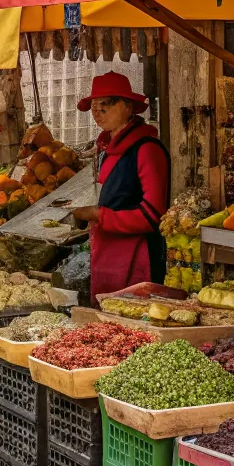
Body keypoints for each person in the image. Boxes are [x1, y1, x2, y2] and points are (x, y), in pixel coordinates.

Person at [72, 72, 171, 302]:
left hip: (138, 257)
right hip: (107, 255)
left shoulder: (147, 149)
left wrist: (99, 215)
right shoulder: (107, 148)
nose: (97, 112)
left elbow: (152, 215)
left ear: (127, 107)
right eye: (94, 106)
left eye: (105, 104)